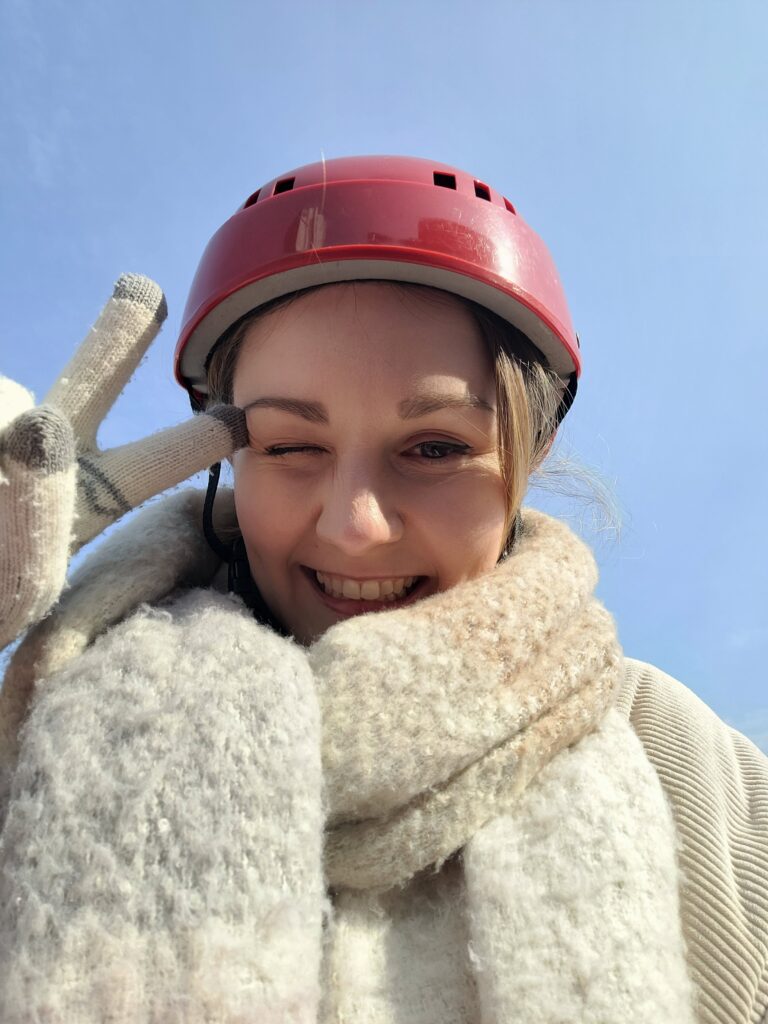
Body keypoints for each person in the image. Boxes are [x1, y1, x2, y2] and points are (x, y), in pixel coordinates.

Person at [0, 155, 766, 1024]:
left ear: (529, 455)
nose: (354, 526)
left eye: (435, 448)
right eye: (289, 446)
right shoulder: (46, 720)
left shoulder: (689, 767)